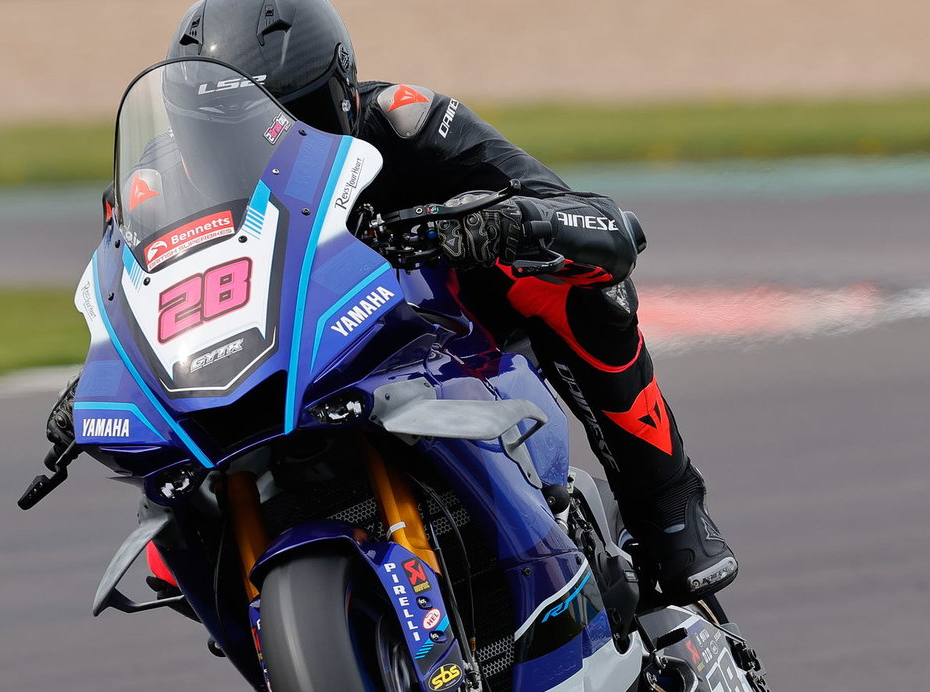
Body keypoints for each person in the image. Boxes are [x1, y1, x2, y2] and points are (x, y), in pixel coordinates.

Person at [46, 0, 738, 602]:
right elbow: (132, 294)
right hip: (275, 357)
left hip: (430, 331)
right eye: (222, 133)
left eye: (297, 117)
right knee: (167, 529)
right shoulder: (148, 188)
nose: (271, 142)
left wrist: (508, 222)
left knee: (578, 284)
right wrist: (107, 372)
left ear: (343, 93)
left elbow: (604, 226)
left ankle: (666, 502)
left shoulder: (408, 122)